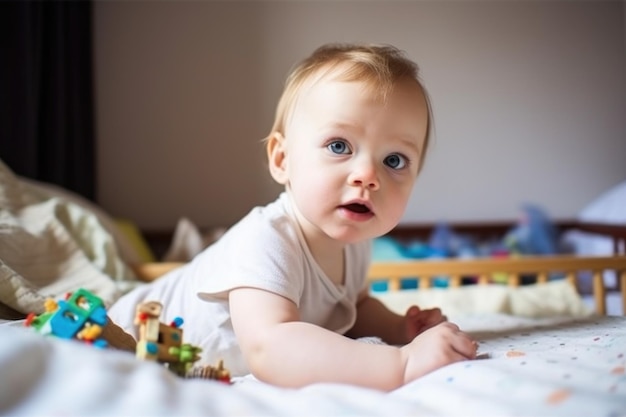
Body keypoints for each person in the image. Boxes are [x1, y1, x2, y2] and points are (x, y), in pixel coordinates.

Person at [108, 42, 477, 391]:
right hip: (120, 335)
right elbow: (271, 347)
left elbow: (353, 308)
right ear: (282, 160)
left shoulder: (356, 243)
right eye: (339, 146)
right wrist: (401, 363)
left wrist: (400, 327)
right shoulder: (267, 240)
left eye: (394, 160)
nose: (368, 174)